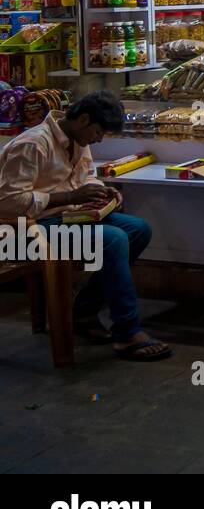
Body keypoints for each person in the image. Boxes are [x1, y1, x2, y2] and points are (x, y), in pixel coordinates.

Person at [0, 91, 171, 361]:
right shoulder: (33, 144)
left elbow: (87, 177)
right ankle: (127, 333)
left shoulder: (77, 139)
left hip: (63, 219)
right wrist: (69, 197)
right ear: (83, 119)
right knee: (113, 239)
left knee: (138, 229)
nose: (99, 139)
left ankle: (83, 311)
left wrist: (101, 191)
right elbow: (8, 203)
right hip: (21, 232)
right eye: (98, 132)